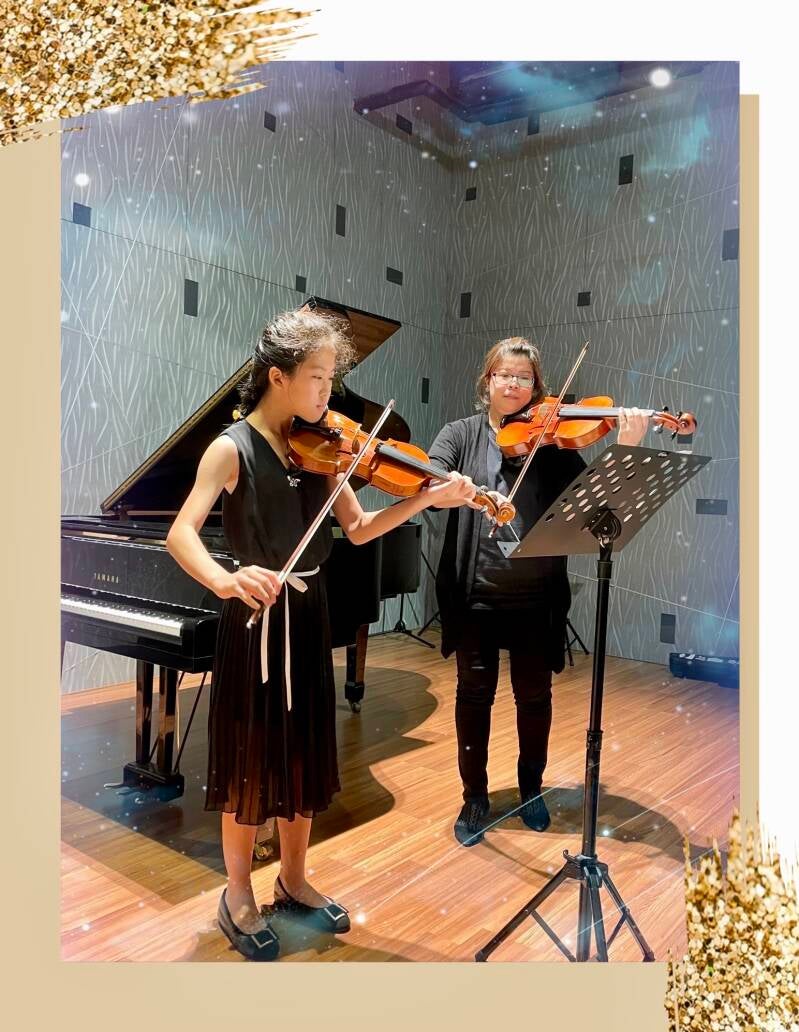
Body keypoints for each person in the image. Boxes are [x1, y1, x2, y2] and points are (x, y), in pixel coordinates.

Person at [166, 308, 476, 959]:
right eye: (317, 377)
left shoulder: (322, 450)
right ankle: (238, 892)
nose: (327, 393)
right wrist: (225, 579)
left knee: (303, 755)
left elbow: (359, 529)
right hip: (255, 621)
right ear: (277, 377)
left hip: (309, 615)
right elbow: (181, 534)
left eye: (331, 378)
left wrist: (425, 498)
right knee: (251, 762)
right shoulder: (232, 449)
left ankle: (294, 879)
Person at [427, 336, 650, 846]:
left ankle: (531, 789)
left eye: (524, 378)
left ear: (537, 387)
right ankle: (474, 797)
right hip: (475, 597)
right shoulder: (460, 434)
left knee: (534, 698)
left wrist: (629, 445)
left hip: (534, 600)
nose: (514, 384)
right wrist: (454, 488)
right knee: (473, 697)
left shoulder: (551, 444)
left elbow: (599, 504)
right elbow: (431, 487)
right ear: (488, 380)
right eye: (505, 374)